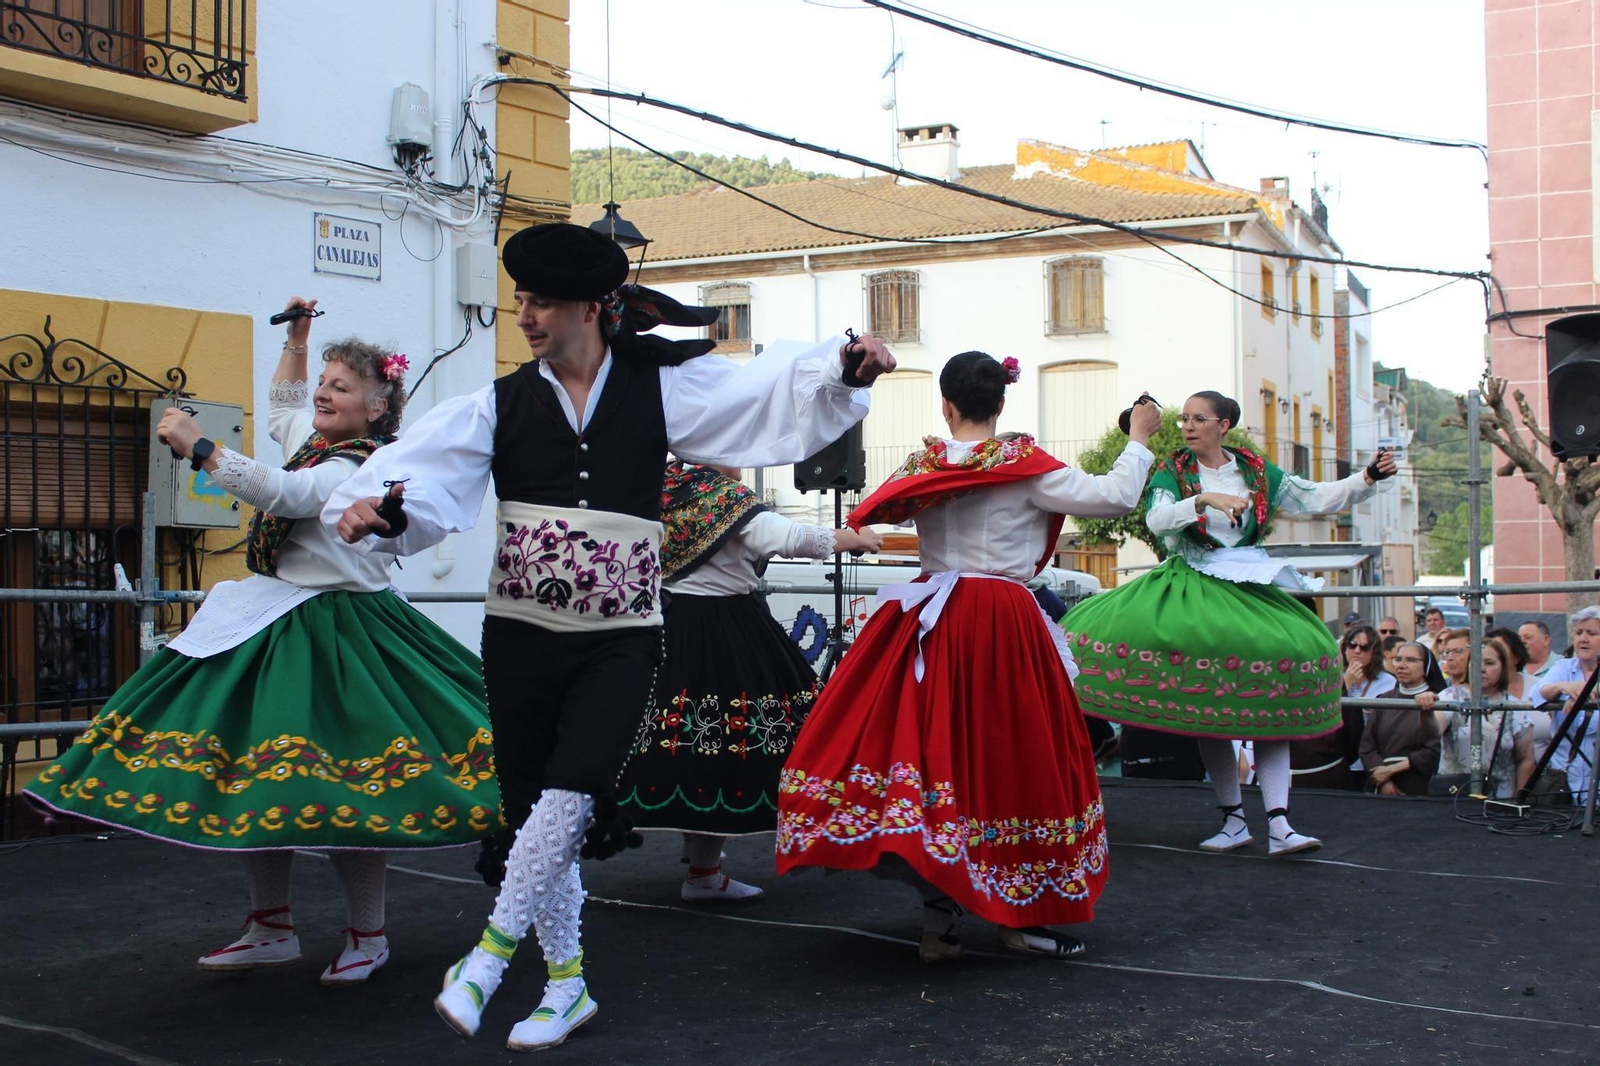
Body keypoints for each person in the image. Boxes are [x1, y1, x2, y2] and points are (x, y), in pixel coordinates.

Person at [326, 223, 894, 1052]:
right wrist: (378, 507)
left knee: (577, 783)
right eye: (519, 299)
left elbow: (763, 398)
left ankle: (489, 955)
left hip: (623, 631)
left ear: (593, 308)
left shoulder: (663, 388)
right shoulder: (499, 403)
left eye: (542, 301)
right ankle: (566, 988)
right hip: (519, 632)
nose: (524, 315)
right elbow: (424, 482)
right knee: (532, 815)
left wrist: (843, 369)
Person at [26, 299, 498, 986]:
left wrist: (201, 447)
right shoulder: (320, 443)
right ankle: (270, 926)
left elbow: (284, 492)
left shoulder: (360, 466)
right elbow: (282, 411)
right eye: (325, 383)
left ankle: (368, 934)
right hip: (279, 622)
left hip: (347, 635)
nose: (324, 393)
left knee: (353, 790)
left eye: (341, 386)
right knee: (257, 781)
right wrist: (299, 342)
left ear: (376, 406)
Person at [776, 352, 1159, 963]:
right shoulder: (1027, 468)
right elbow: (1115, 497)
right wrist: (1138, 439)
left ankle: (940, 924)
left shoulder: (920, 467)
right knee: (1016, 760)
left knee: (933, 761)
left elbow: (883, 508)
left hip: (929, 622)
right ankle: (1021, 916)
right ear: (1001, 404)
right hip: (1001, 624)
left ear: (946, 406)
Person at [1063, 391, 1397, 855]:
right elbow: (1158, 520)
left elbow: (1315, 498)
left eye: (1199, 418)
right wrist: (1202, 500)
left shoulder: (1256, 472)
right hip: (1192, 583)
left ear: (1224, 424)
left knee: (1274, 692)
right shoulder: (1172, 471)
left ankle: (1279, 823)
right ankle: (1234, 819)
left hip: (1248, 582)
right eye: (1184, 418)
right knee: (1211, 707)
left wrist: (1366, 477)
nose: (1188, 426)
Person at [617, 460, 882, 901]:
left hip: (664, 627)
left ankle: (693, 865)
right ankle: (703, 872)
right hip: (727, 630)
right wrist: (858, 537)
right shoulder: (725, 500)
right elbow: (793, 537)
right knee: (731, 747)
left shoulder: (659, 486)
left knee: (676, 742)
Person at [1430, 636, 1535, 799]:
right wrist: (1425, 712)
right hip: (1454, 797)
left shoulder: (1515, 707)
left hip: (1500, 800)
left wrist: (1519, 800)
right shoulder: (1450, 697)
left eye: (1490, 663)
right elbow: (1434, 730)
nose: (1481, 668)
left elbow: (1526, 759)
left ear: (1503, 667)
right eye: (1476, 662)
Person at [1292, 624, 1393, 789]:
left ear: (1373, 652)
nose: (1357, 651)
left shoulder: (1387, 681)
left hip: (1372, 758)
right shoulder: (1329, 675)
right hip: (1342, 759)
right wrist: (1345, 683)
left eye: (1364, 647)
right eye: (1352, 645)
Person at [1360, 641, 1444, 796]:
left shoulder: (1438, 701)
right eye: (1398, 659)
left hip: (1418, 786)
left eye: (1411, 660)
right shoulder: (1383, 700)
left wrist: (1390, 770)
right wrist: (1384, 781)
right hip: (1381, 787)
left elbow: (1433, 750)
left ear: (1426, 667)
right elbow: (1367, 747)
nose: (1401, 665)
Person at [1540, 606, 1600, 804]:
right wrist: (1564, 686)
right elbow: (1540, 692)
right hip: (1564, 781)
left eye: (1591, 633)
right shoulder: (1564, 667)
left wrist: (1589, 693)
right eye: (1579, 633)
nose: (1583, 638)